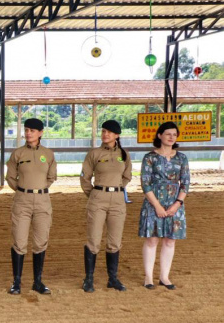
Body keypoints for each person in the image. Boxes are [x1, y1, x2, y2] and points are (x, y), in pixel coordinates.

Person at [5, 118, 57, 295]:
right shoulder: (17, 154)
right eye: (26, 130)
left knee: (40, 241)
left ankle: (38, 281)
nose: (28, 133)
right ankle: (17, 282)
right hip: (22, 200)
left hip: (42, 201)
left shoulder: (48, 154)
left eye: (32, 131)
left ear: (40, 133)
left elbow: (51, 177)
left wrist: (38, 189)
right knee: (19, 241)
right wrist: (23, 190)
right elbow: (11, 178)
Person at [80, 120, 132, 292]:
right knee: (93, 239)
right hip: (98, 197)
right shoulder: (94, 153)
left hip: (117, 199)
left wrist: (117, 189)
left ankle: (113, 278)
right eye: (103, 131)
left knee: (115, 241)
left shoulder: (124, 154)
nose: (105, 135)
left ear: (117, 135)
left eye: (109, 132)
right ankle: (88, 279)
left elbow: (127, 176)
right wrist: (94, 194)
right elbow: (85, 178)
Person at [139, 121, 190, 290]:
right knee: (152, 240)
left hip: (175, 204)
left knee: (170, 241)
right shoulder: (150, 157)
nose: (171, 137)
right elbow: (145, 183)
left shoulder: (182, 158)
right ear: (159, 135)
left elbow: (186, 183)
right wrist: (157, 206)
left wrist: (177, 204)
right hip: (154, 202)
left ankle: (164, 276)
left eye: (174, 135)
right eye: (168, 134)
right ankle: (148, 276)